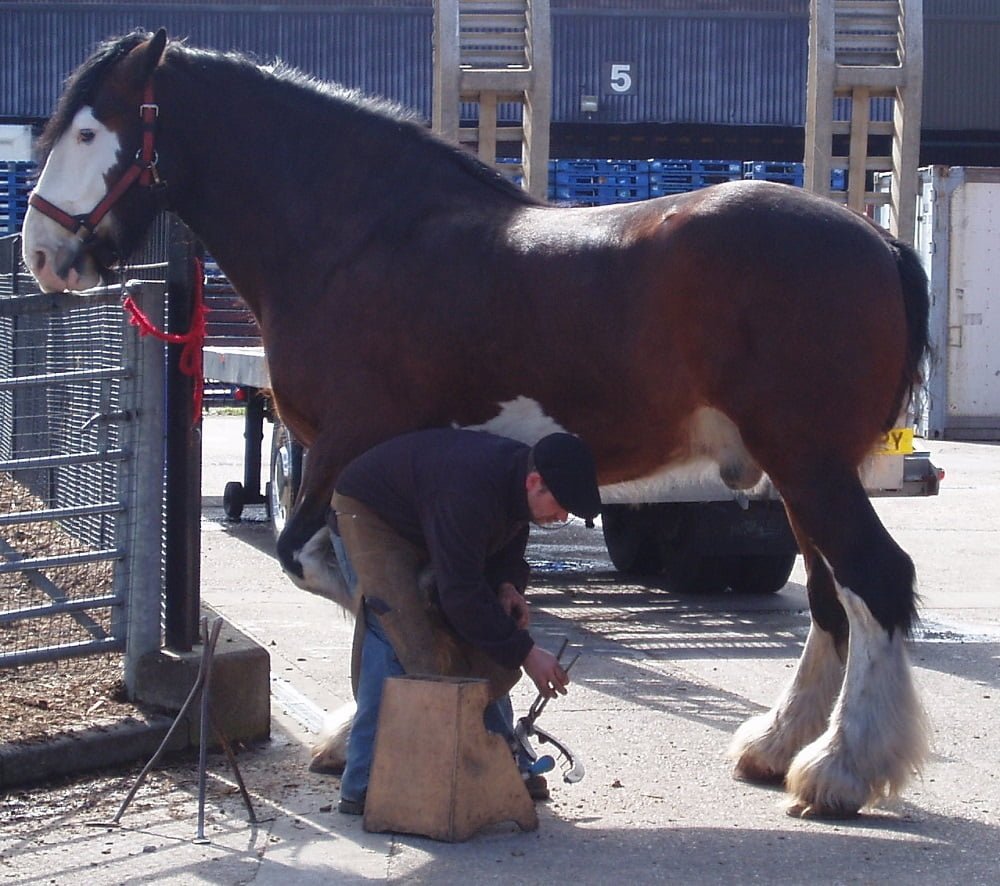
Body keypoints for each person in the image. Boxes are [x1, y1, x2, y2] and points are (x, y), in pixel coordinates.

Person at [329, 428, 602, 815]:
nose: (561, 517)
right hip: (370, 513)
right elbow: (460, 593)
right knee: (395, 628)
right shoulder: (469, 490)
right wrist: (526, 653)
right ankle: (365, 781)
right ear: (534, 481)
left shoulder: (516, 482)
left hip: (429, 517)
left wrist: (507, 585)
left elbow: (504, 541)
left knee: (487, 627)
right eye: (559, 506)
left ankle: (500, 760)